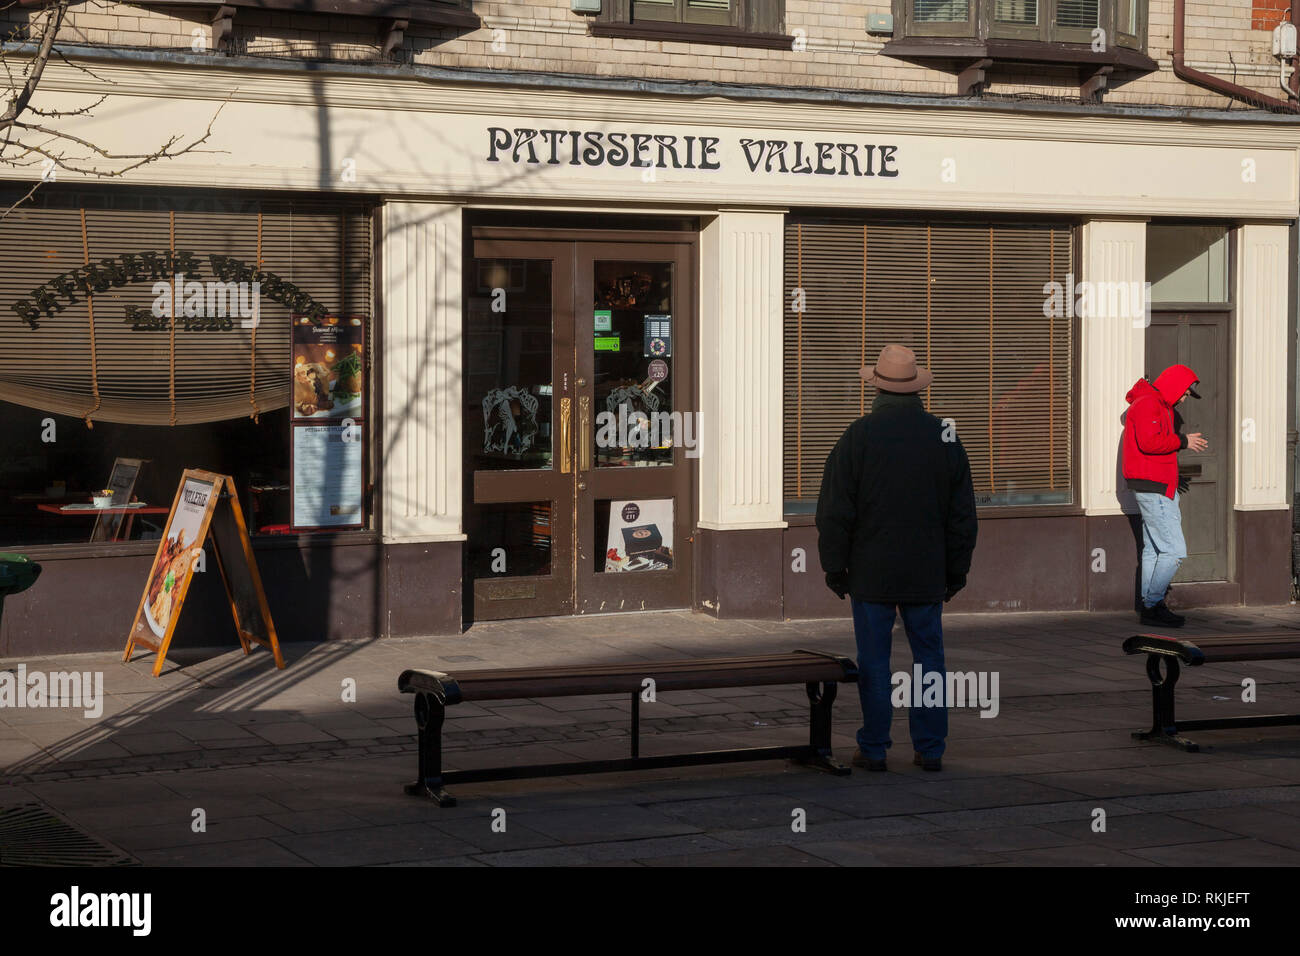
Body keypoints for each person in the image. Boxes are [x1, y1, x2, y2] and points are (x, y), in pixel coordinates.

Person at [816, 344, 978, 773]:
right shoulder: (945, 435)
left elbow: (834, 509)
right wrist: (957, 569)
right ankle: (931, 747)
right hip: (927, 569)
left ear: (876, 388)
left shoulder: (858, 436)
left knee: (874, 659)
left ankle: (873, 748)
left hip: (871, 572)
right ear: (917, 389)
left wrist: (834, 566)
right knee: (930, 658)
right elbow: (962, 512)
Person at [1122, 364, 1208, 627]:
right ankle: (1153, 605)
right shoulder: (1149, 404)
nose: (1184, 399)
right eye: (1184, 393)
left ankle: (1150, 606)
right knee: (1174, 551)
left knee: (1154, 550)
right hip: (1154, 488)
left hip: (1155, 486)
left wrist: (1173, 477)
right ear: (1174, 386)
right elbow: (1150, 443)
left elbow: (1153, 444)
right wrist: (1182, 441)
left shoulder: (1155, 404)